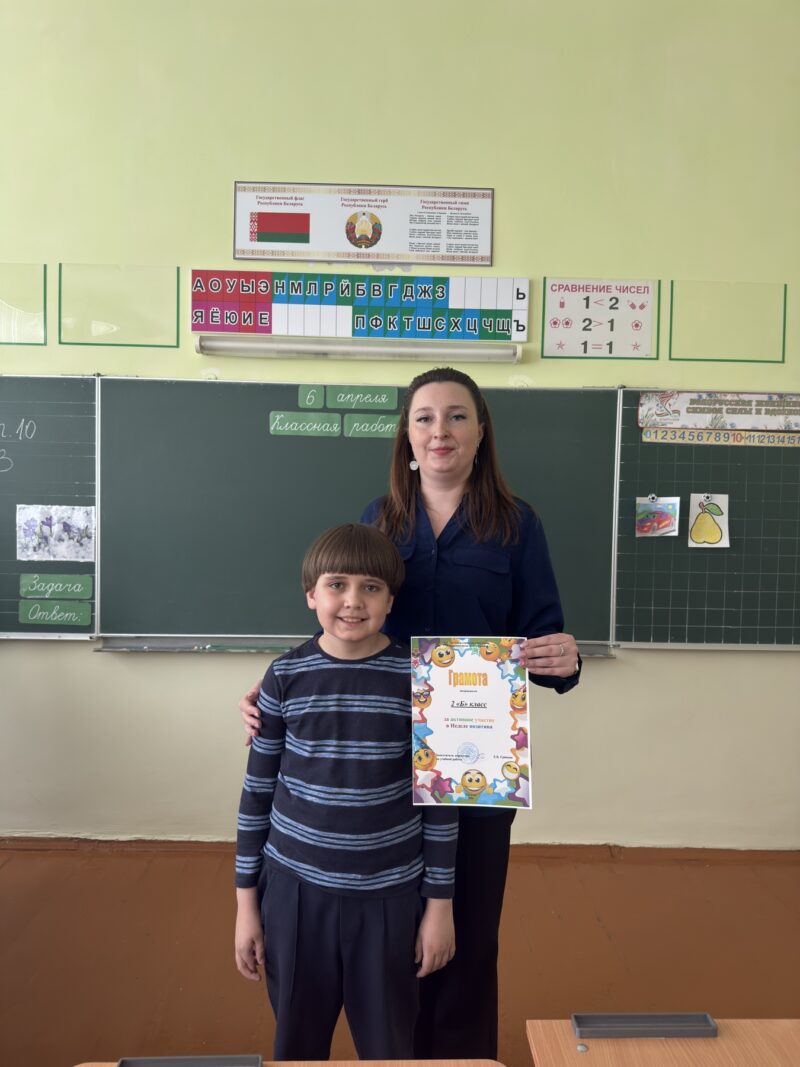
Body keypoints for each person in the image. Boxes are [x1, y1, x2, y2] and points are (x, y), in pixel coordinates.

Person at [239, 367, 581, 1058]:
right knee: (395, 929)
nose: (439, 431)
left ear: (480, 432)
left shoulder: (516, 524)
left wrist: (564, 657)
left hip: (473, 754)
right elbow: (346, 614)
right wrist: (279, 684)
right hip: (385, 755)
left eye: (457, 416)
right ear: (407, 434)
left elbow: (543, 637)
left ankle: (455, 1058)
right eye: (424, 417)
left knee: (466, 929)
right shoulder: (381, 517)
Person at [234, 522, 459, 1061]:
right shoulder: (284, 676)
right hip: (294, 896)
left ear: (391, 600)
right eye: (336, 584)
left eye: (370, 588)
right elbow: (256, 794)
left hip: (389, 898)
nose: (353, 601)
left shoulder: (421, 680)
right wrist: (246, 905)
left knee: (387, 1045)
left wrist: (439, 907)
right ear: (311, 594)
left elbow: (440, 803)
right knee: (297, 1044)